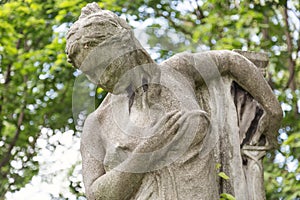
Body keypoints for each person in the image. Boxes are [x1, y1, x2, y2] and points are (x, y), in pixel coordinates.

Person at [66, 3, 282, 200]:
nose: (100, 79)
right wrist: (149, 150)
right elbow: (96, 195)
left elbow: (230, 61)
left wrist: (273, 109)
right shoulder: (98, 123)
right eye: (90, 74)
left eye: (103, 65)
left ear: (124, 45)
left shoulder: (178, 72)